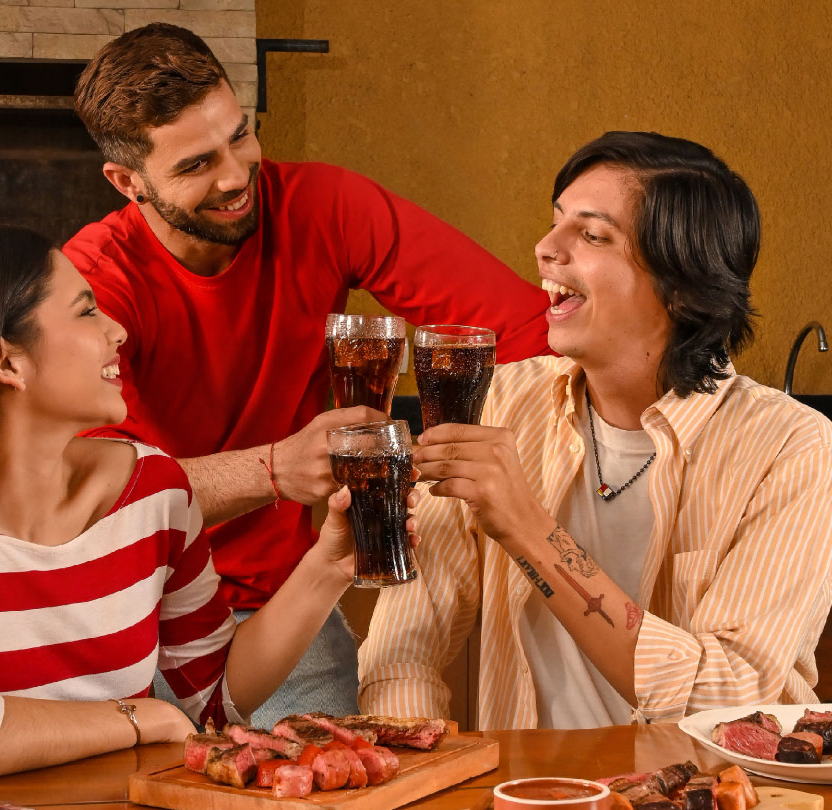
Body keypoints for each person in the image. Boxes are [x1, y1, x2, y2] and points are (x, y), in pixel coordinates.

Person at [62, 23, 553, 726]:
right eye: (197, 164)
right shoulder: (91, 282)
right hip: (124, 616)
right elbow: (97, 497)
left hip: (281, 609)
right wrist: (275, 470)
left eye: (240, 135)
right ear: (127, 181)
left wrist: (458, 467)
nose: (236, 176)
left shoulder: (323, 205)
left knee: (345, 776)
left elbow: (525, 329)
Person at [0, 225, 420, 784]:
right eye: (87, 311)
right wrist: (138, 719)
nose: (116, 331)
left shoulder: (153, 490)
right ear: (10, 364)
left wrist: (329, 566)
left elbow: (212, 700)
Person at [358, 131, 832, 729]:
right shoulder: (502, 400)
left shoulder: (792, 447)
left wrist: (528, 527)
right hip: (530, 780)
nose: (545, 248)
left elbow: (730, 700)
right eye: (556, 222)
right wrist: (416, 761)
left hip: (704, 779)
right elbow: (402, 650)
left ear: (683, 287)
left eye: (593, 235)